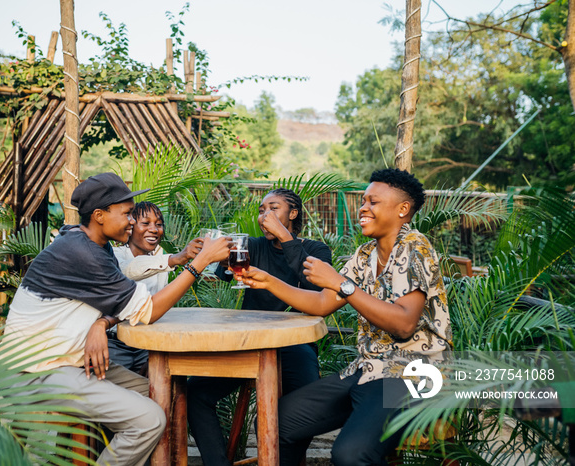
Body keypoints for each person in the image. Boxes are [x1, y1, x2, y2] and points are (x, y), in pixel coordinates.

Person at [0, 172, 230, 466]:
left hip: (70, 361)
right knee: (150, 419)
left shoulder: (91, 244)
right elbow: (148, 310)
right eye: (127, 214)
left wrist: (99, 324)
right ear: (99, 215)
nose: (132, 221)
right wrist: (199, 263)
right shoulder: (82, 253)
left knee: (162, 393)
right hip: (38, 371)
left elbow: (119, 297)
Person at [242, 168, 453, 466]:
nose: (363, 208)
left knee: (351, 454)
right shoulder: (364, 254)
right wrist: (268, 281)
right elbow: (322, 303)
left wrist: (342, 283)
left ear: (403, 209)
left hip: (413, 374)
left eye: (373, 202)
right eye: (363, 201)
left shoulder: (416, 247)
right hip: (367, 369)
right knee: (278, 421)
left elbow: (404, 324)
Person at [187, 187, 333, 466]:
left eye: (273, 208)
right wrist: (213, 255)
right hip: (249, 343)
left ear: (293, 213)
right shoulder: (250, 246)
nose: (264, 215)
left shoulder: (315, 249)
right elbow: (225, 274)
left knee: (305, 409)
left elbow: (316, 288)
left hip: (294, 344)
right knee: (196, 393)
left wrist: (284, 237)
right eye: (261, 210)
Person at [110, 201, 203, 373]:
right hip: (116, 344)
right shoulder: (115, 255)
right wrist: (175, 259)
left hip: (148, 344)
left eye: (159, 224)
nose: (154, 229)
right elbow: (128, 269)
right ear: (130, 227)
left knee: (166, 382)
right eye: (145, 223)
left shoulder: (160, 259)